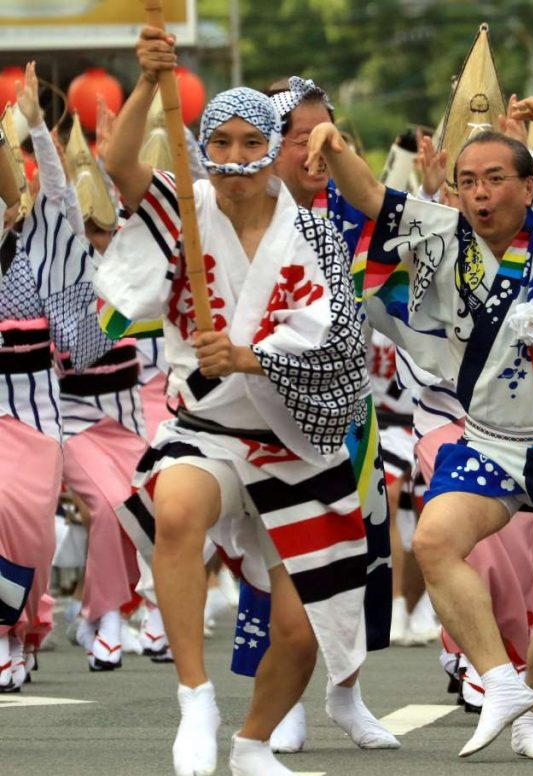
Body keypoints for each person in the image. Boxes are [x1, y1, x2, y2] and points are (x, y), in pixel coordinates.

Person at [307, 95, 533, 759]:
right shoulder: (441, 238)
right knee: (434, 539)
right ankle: (497, 677)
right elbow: (375, 198)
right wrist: (333, 144)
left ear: (529, 185)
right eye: (468, 181)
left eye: (496, 178)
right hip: (489, 441)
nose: (481, 192)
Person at [96, 27, 371, 776]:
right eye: (223, 139)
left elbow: (343, 350)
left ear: (277, 146)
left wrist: (249, 355)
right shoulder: (180, 205)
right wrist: (150, 82)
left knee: (301, 626)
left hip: (297, 438)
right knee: (177, 508)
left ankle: (251, 743)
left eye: (255, 141)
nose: (239, 156)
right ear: (203, 144)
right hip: (209, 427)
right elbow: (118, 164)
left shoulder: (315, 231)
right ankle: (195, 698)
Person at [0, 62, 114, 693]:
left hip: (37, 414)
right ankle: (0, 632)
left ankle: (23, 628)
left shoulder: (41, 241)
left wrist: (40, 129)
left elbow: (68, 208)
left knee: (29, 527)